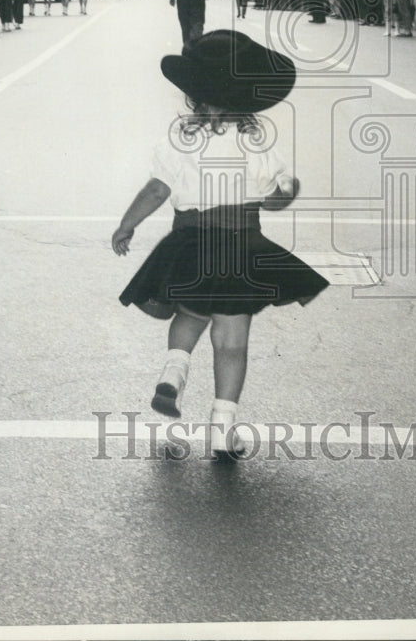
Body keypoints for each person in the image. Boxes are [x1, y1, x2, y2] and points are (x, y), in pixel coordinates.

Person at [111, 30, 328, 458]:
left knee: (190, 315)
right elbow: (277, 197)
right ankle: (222, 431)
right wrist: (287, 191)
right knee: (232, 343)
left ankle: (174, 371)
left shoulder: (179, 137)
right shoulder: (257, 138)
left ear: (193, 93)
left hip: (190, 242)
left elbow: (157, 189)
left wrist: (127, 224)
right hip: (240, 244)